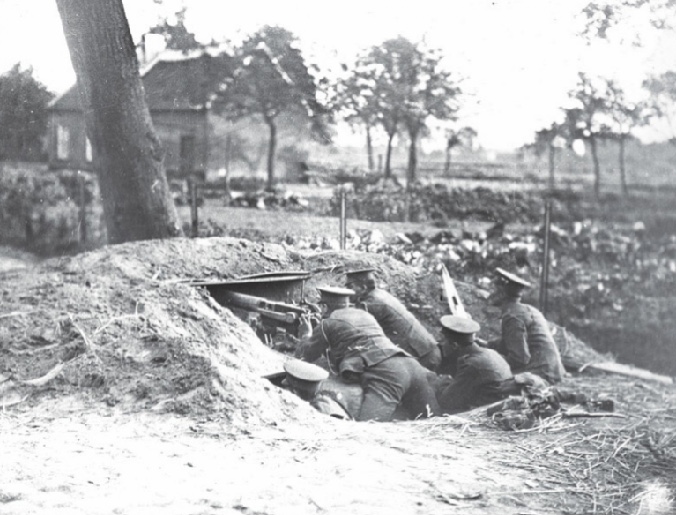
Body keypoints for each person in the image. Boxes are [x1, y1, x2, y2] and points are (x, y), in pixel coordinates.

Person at [295, 286, 439, 422]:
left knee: (369, 427)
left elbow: (305, 356)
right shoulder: (365, 315)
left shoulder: (328, 323)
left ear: (324, 307)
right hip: (411, 364)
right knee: (435, 420)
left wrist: (305, 335)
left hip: (388, 373)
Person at [344, 268, 442, 371]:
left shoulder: (373, 302)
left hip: (423, 356)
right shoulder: (379, 294)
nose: (346, 291)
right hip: (426, 351)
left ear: (363, 287)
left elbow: (351, 323)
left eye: (350, 287)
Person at [490, 268, 565, 384]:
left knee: (487, 382)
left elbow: (520, 359)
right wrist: (488, 345)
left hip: (540, 375)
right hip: (551, 371)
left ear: (502, 293)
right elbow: (514, 341)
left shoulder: (512, 316)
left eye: (494, 289)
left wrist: (493, 359)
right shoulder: (527, 309)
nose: (491, 293)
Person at [437, 315, 514, 414]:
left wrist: (440, 382)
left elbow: (446, 401)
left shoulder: (473, 365)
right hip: (500, 406)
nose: (440, 344)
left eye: (443, 341)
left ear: (454, 345)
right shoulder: (490, 352)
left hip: (489, 414)